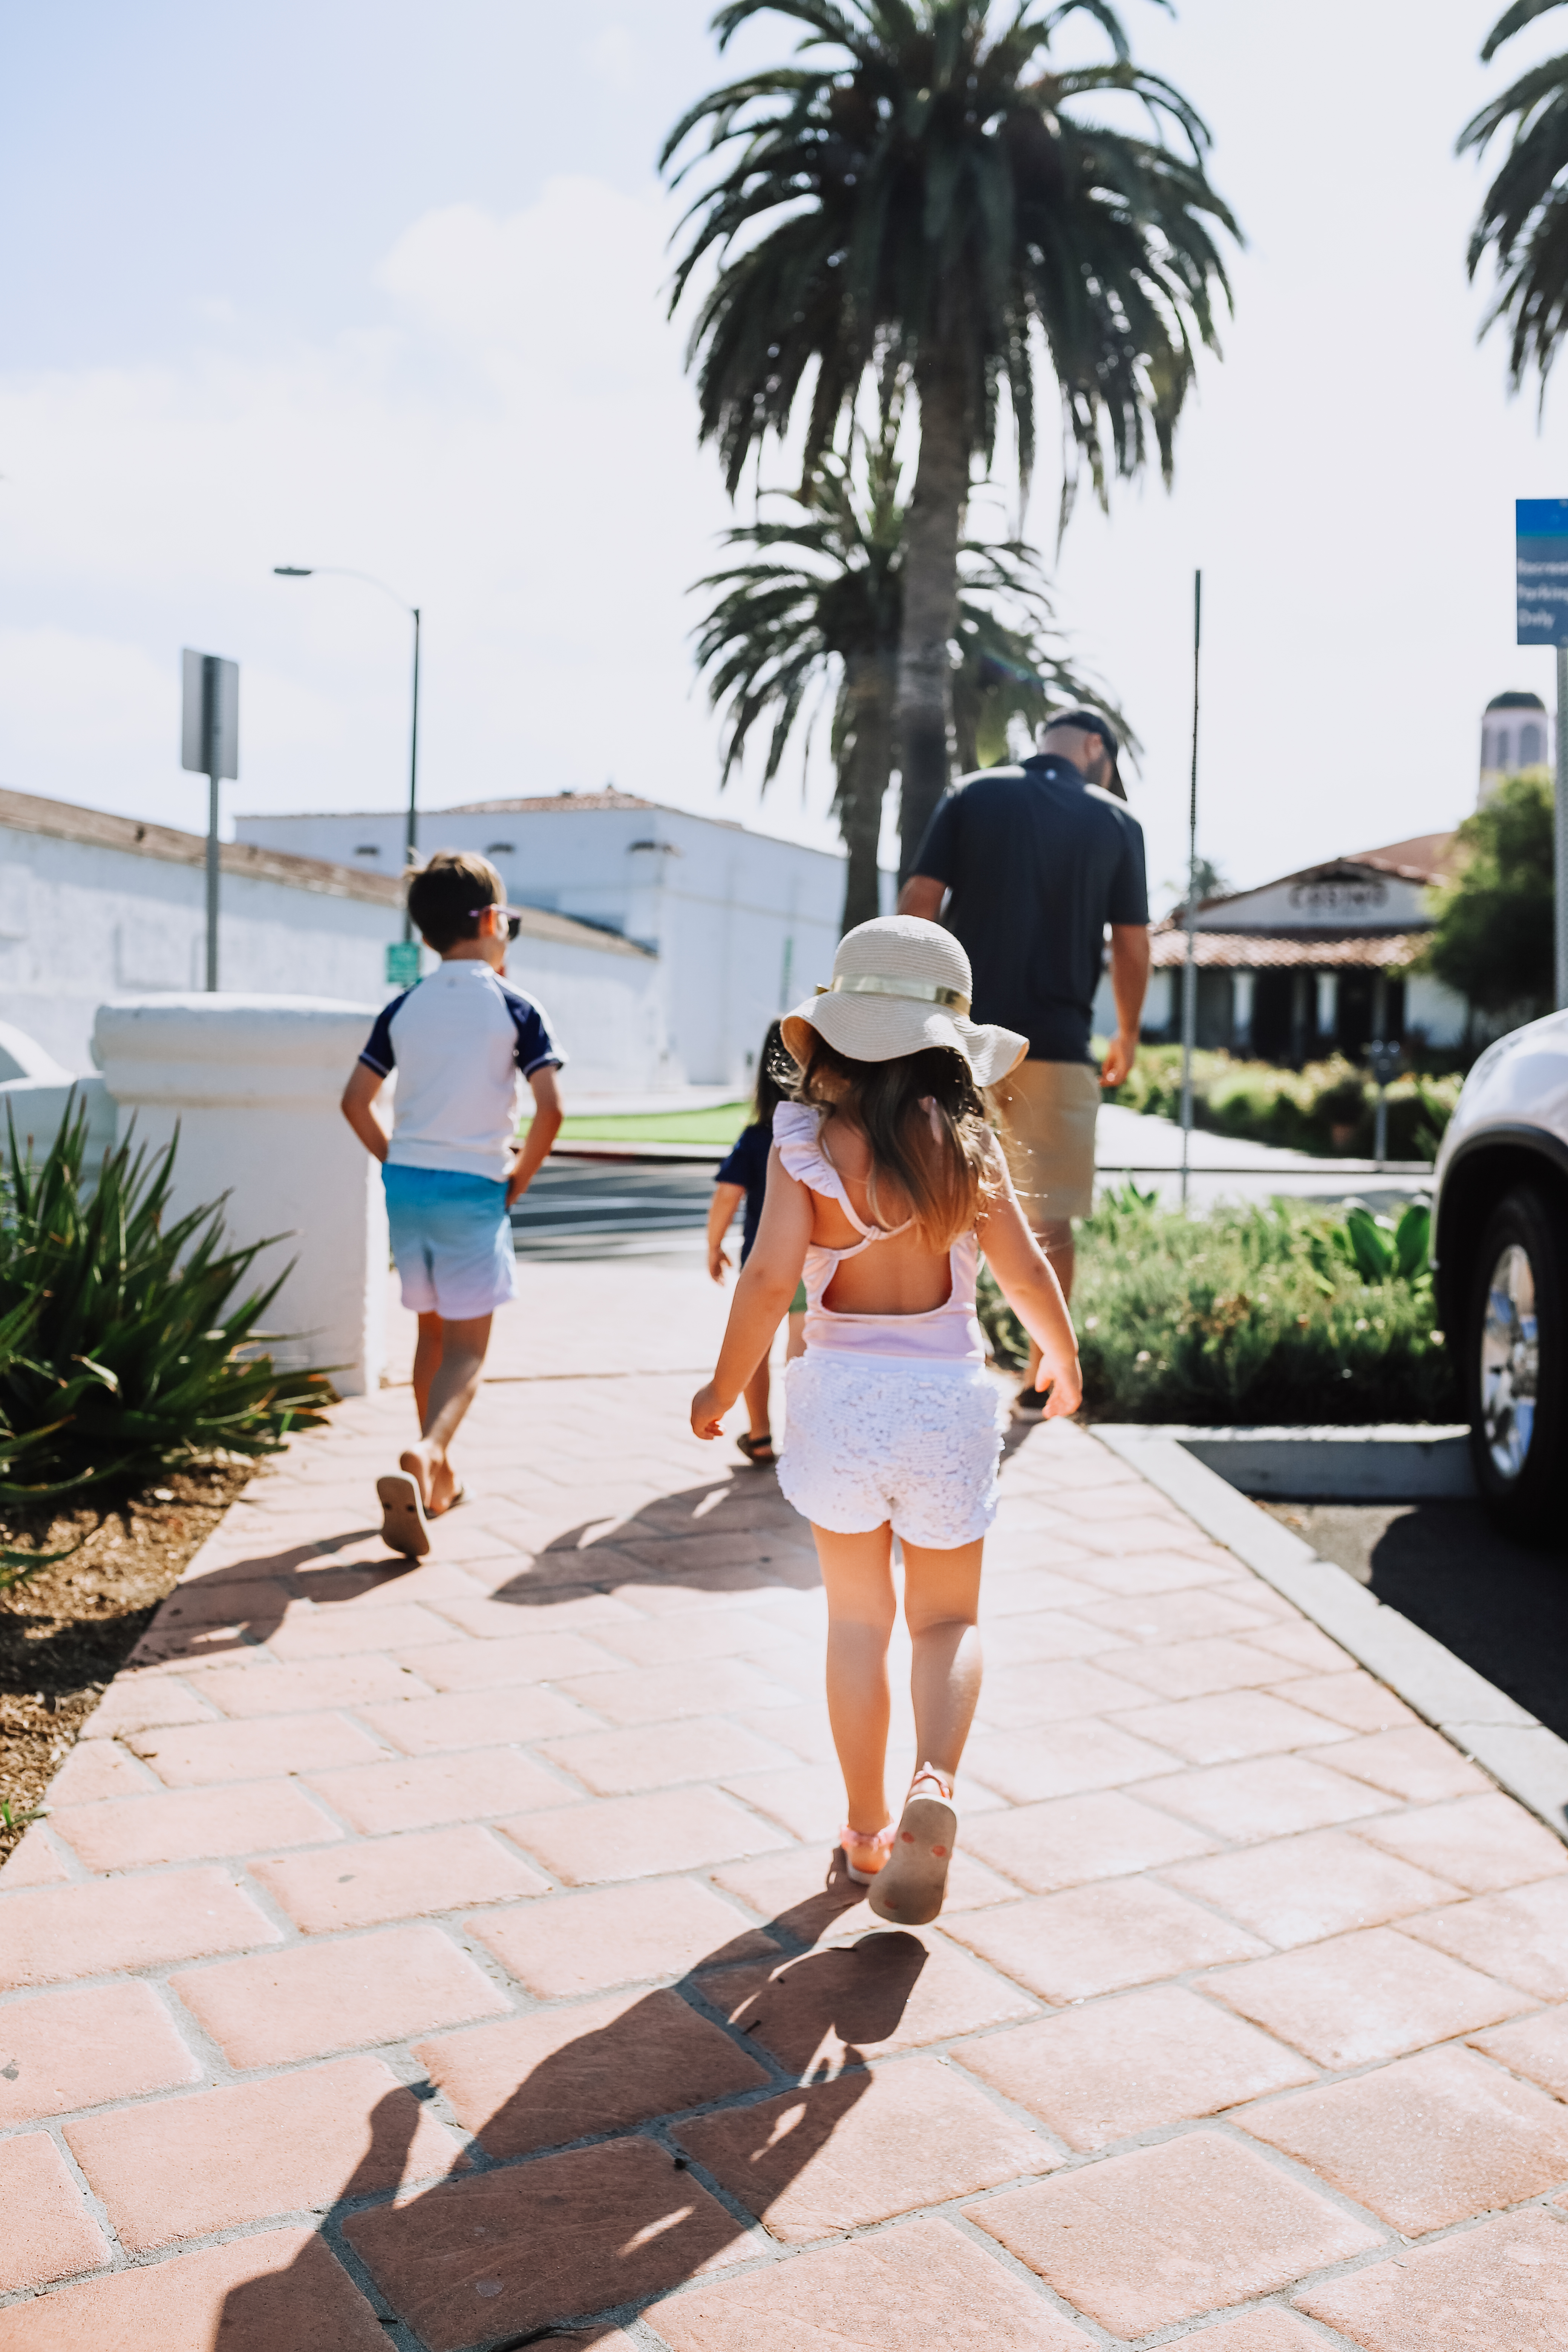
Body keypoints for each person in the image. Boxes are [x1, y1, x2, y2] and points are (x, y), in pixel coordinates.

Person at [691, 916, 1081, 1925]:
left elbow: (772, 1275)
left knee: (858, 1622)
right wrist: (1061, 1352)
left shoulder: (804, 1143)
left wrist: (726, 1387)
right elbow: (1024, 1269)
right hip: (947, 1405)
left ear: (833, 1037)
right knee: (947, 1620)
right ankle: (933, 1788)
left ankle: (866, 1833)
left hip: (840, 1407)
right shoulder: (967, 1145)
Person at [898, 709, 1150, 1415]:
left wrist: (910, 1007)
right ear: (1094, 748)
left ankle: (936, 1365)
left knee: (935, 1206)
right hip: (1060, 1048)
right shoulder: (1118, 824)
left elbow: (921, 900)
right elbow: (1131, 945)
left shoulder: (973, 794)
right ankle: (1042, 1383)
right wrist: (1125, 1034)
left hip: (958, 1040)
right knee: (1050, 1222)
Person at [341, 850, 563, 1557]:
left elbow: (354, 1101)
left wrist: (398, 1160)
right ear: (494, 921)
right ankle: (429, 1452)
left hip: (408, 1185)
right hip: (474, 1186)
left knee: (431, 1337)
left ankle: (436, 1480)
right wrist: (516, 1180)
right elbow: (552, 1109)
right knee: (469, 1346)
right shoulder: (516, 1006)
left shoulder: (403, 1007)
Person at [705, 1020, 805, 1467]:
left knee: (756, 1350)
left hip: (761, 1258)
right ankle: (805, 1437)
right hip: (814, 1258)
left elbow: (727, 1195)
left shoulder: (757, 1137)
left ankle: (761, 1436)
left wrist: (713, 1245)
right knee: (803, 1349)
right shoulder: (820, 1134)